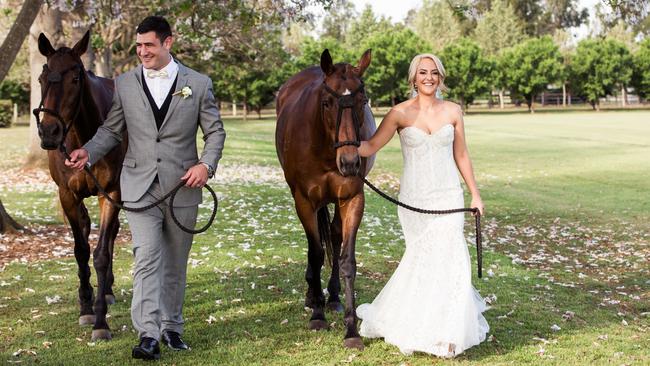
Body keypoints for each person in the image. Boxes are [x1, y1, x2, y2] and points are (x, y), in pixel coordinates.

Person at [65, 16, 226, 360]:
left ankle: (172, 327)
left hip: (182, 186)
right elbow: (111, 130)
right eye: (138, 46)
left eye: (148, 45)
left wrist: (205, 165)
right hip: (138, 186)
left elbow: (215, 133)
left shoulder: (197, 84)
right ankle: (148, 334)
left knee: (174, 261)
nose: (142, 52)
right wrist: (88, 152)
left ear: (168, 43)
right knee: (147, 258)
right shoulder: (124, 83)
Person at [356, 53, 488, 357]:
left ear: (440, 77)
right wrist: (341, 146)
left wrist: (475, 194)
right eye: (422, 73)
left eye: (434, 73)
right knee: (423, 258)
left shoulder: (453, 111)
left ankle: (448, 331)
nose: (429, 78)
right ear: (413, 78)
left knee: (452, 255)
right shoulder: (399, 114)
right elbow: (371, 146)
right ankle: (415, 319)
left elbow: (462, 155)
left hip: (448, 196)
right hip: (415, 200)